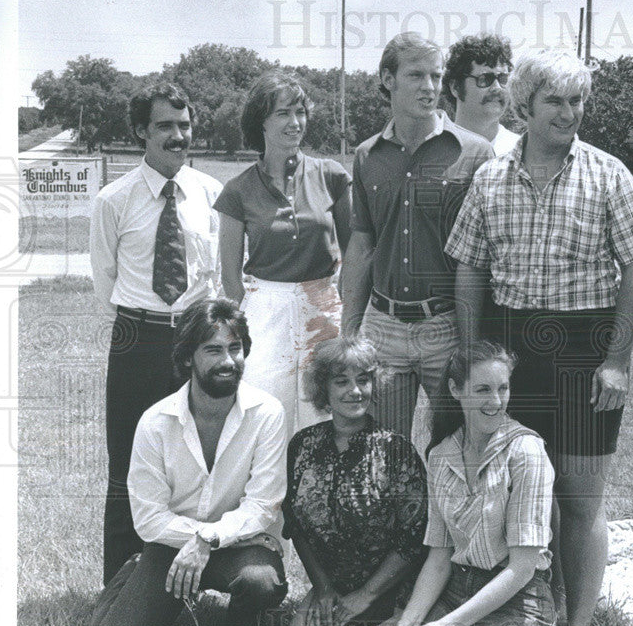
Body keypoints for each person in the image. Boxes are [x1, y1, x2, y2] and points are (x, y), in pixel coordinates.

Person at [446, 50, 633, 626]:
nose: (569, 114)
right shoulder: (491, 177)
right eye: (555, 102)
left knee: (580, 497)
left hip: (584, 347)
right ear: (525, 105)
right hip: (512, 346)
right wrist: (471, 357)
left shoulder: (608, 172)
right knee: (522, 489)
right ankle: (531, 608)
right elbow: (468, 266)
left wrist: (617, 361)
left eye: (577, 101)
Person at [90, 82, 223, 585]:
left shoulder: (212, 195)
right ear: (142, 131)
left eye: (184, 125)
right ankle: (120, 585)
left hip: (196, 339)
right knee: (127, 462)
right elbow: (105, 279)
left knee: (199, 459)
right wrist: (140, 329)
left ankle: (196, 577)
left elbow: (219, 276)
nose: (177, 135)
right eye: (165, 126)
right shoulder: (113, 200)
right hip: (137, 337)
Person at [90, 298, 288, 626]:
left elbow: (264, 505)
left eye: (235, 348)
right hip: (171, 548)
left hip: (241, 547)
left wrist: (208, 539)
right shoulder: (155, 423)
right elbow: (149, 518)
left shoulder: (267, 414)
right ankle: (134, 574)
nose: (228, 361)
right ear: (187, 357)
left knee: (261, 582)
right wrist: (196, 540)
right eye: (213, 350)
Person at [339, 32, 493, 442]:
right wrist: (349, 330)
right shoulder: (367, 156)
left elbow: (481, 259)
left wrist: (471, 340)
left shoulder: (475, 154)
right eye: (416, 75)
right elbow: (362, 243)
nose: (430, 87)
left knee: (455, 446)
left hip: (446, 325)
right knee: (384, 453)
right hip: (383, 328)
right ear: (388, 79)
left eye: (436, 76)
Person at [216, 70, 351, 441]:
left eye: (300, 112)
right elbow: (230, 281)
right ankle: (267, 499)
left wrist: (349, 317)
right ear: (260, 120)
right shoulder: (237, 190)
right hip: (265, 309)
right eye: (282, 114)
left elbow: (356, 256)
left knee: (322, 417)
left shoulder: (332, 176)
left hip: (324, 304)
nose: (295, 123)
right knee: (264, 417)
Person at [397, 341, 556, 626]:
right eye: (483, 390)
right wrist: (407, 625)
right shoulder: (440, 455)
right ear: (456, 390)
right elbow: (439, 557)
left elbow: (521, 569)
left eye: (503, 389)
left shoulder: (526, 451)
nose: (496, 401)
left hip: (517, 597)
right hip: (454, 592)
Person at [284, 336, 428, 626]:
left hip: (389, 593)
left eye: (363, 380)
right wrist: (323, 589)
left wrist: (365, 596)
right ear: (324, 388)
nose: (355, 391)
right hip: (330, 593)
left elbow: (413, 540)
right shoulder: (303, 445)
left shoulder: (396, 451)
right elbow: (295, 525)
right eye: (341, 381)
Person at [444, 33, 521, 155]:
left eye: (502, 79)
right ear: (455, 87)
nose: (496, 87)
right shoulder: (436, 150)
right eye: (484, 79)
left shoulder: (522, 151)